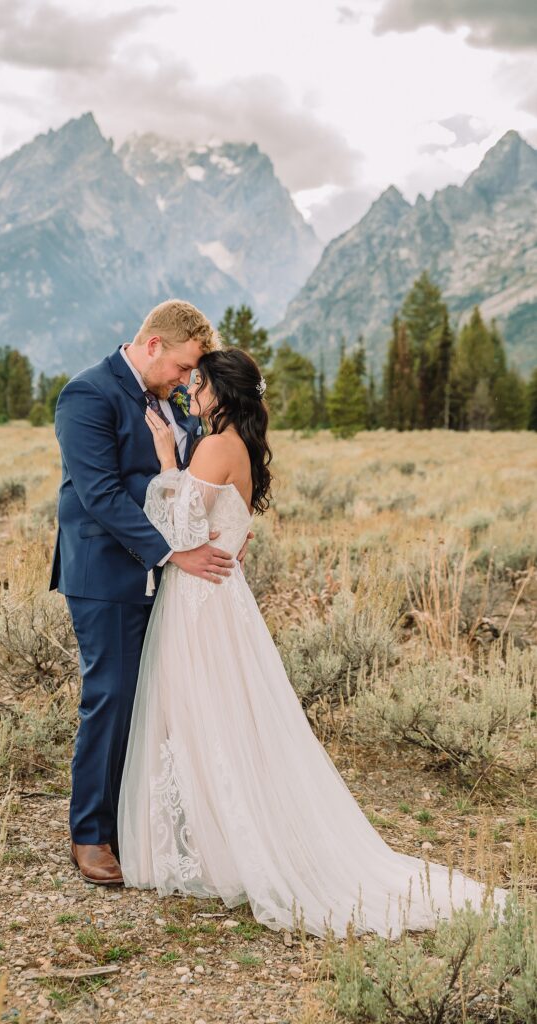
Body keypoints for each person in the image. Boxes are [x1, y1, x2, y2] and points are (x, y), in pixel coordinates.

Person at [117, 346, 510, 938]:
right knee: (216, 713)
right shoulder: (240, 446)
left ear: (220, 394)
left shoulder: (214, 446)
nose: (190, 392)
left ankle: (217, 846)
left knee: (199, 711)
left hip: (200, 599)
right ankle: (211, 837)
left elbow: (178, 531)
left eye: (198, 385)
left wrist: (168, 459)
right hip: (220, 597)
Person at [49, 299, 251, 885]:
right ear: (154, 344)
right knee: (111, 696)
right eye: (184, 367)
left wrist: (228, 526)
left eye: (194, 374)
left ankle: (139, 822)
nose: (188, 382)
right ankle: (91, 834)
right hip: (107, 575)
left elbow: (193, 481)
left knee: (156, 699)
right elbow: (100, 493)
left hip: (168, 580)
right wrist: (174, 550)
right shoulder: (87, 394)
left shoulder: (175, 400)